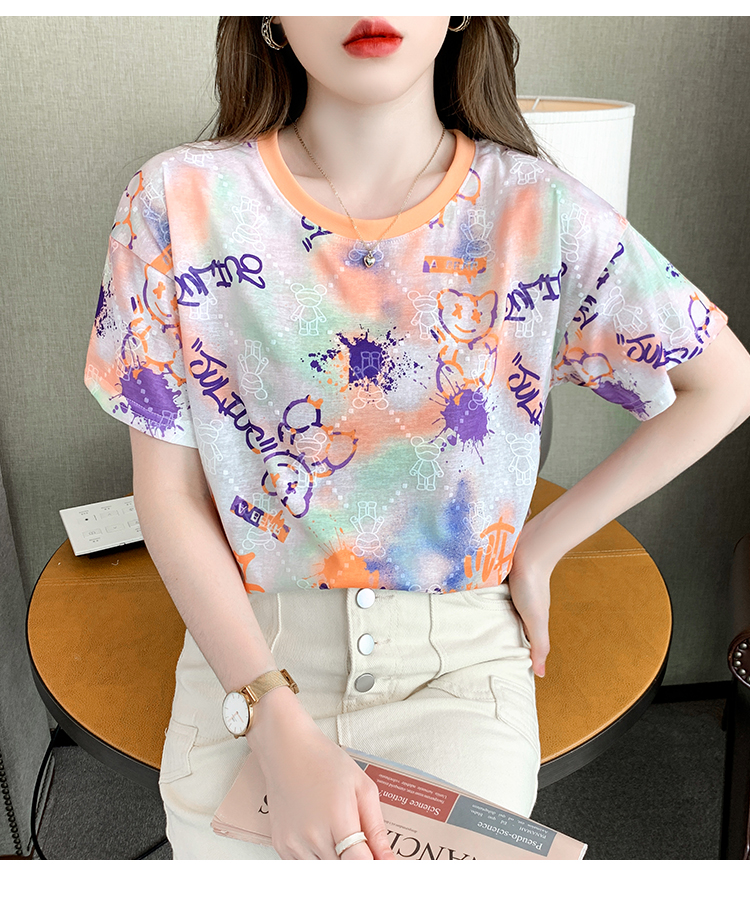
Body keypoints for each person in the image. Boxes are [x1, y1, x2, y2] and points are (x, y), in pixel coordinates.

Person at [83, 16, 750, 861]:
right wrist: (272, 713)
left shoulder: (534, 207)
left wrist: (540, 545)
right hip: (249, 658)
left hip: (457, 669)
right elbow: (169, 495)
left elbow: (725, 382)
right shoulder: (173, 201)